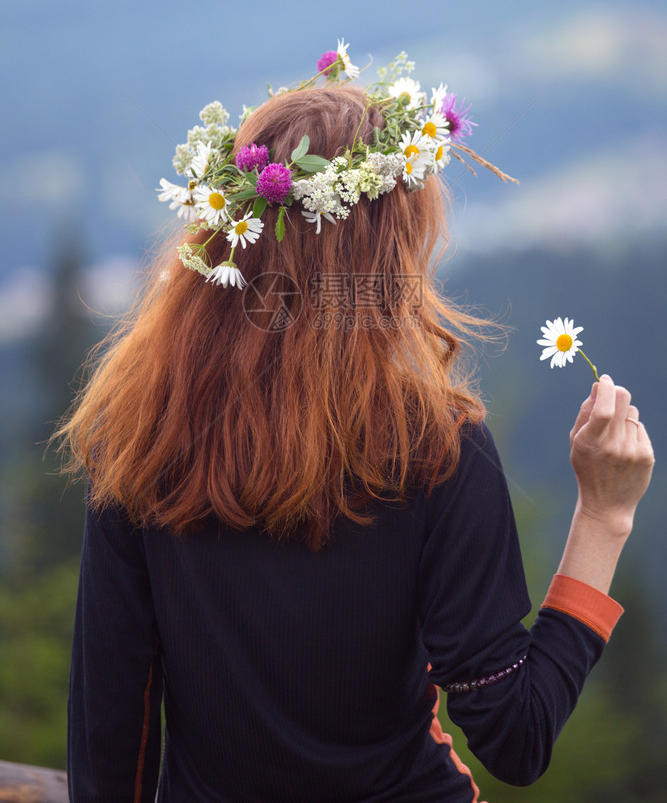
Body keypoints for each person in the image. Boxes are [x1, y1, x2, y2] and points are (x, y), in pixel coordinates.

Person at [57, 46, 655, 802]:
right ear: (385, 255)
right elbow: (515, 736)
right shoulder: (433, 449)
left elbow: (116, 733)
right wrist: (604, 516)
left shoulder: (142, 435)